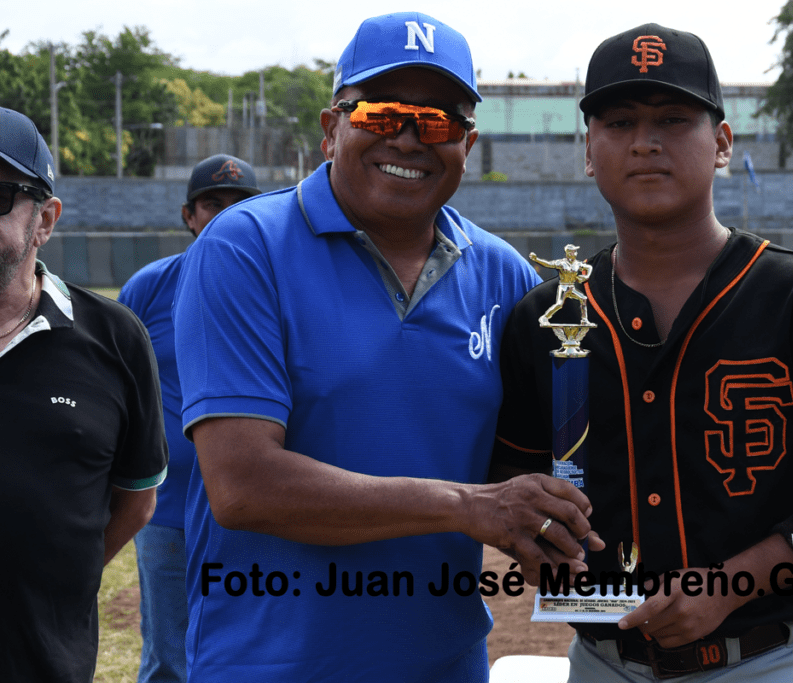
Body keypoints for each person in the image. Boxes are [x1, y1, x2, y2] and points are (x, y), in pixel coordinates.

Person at [172, 12, 596, 682]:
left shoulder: (505, 275)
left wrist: (577, 540)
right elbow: (244, 486)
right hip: (270, 665)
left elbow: (535, 467)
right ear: (330, 128)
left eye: (437, 122)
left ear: (468, 143)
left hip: (446, 663)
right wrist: (469, 507)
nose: (408, 136)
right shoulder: (245, 246)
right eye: (381, 112)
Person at [490, 24, 793, 682]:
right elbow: (514, 488)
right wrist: (536, 541)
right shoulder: (545, 317)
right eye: (619, 122)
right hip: (604, 662)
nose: (645, 141)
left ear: (721, 142)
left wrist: (730, 584)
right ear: (588, 150)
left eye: (673, 118)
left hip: (774, 661)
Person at [0, 107, 168, 681]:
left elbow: (137, 500)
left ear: (44, 221)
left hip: (44, 661)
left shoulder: (115, 338)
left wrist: (61, 580)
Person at [117, 154, 261, 683]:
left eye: (240, 204)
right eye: (212, 203)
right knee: (168, 655)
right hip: (169, 501)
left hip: (256, 501)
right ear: (189, 215)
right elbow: (119, 390)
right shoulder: (149, 288)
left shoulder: (276, 289)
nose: (225, 214)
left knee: (248, 646)